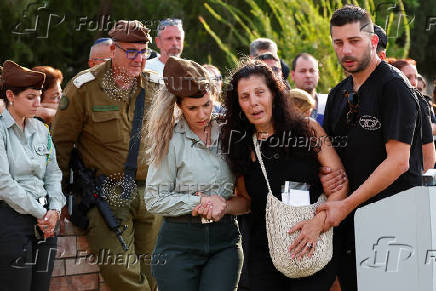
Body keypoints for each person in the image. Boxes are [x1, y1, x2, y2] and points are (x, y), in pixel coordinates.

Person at [52, 20, 161, 291]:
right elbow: (60, 146)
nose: (139, 59)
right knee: (120, 271)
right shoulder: (84, 88)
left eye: (143, 52)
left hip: (150, 193)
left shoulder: (156, 86)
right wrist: (60, 197)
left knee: (157, 270)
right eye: (131, 51)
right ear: (113, 49)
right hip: (107, 194)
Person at [220, 59, 348, 291]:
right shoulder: (240, 145)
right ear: (238, 104)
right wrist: (222, 205)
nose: (254, 102)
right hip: (263, 254)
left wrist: (317, 224)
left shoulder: (308, 130)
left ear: (275, 94)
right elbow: (247, 201)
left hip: (313, 244)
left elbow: (340, 185)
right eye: (245, 96)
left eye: (260, 92)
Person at [320, 5, 424, 290]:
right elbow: (329, 154)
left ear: (373, 42)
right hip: (349, 223)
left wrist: (346, 204)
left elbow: (399, 162)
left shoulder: (394, 87)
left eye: (354, 41)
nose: (346, 51)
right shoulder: (338, 94)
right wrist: (327, 175)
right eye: (339, 43)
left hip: (392, 223)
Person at [145, 56, 250, 291]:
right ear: (178, 106)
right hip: (178, 245)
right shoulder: (169, 140)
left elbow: (246, 202)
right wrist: (199, 201)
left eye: (207, 105)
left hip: (225, 243)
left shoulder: (229, 134)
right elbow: (154, 199)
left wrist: (222, 205)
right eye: (192, 108)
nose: (202, 114)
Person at [0, 60, 65, 291]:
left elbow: (53, 173)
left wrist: (55, 209)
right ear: (10, 95)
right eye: (30, 97)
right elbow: (3, 183)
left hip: (46, 222)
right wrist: (42, 213)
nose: (37, 102)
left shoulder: (41, 129)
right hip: (12, 220)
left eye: (39, 96)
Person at [388, 58, 436, 171]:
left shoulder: (421, 106)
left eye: (415, 77)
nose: (414, 82)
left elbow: (429, 160)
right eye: (408, 77)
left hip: (413, 178)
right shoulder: (379, 105)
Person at [291, 53, 327, 125]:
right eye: (303, 71)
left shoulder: (329, 103)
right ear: (293, 75)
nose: (308, 75)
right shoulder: (284, 106)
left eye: (312, 71)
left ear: (318, 74)